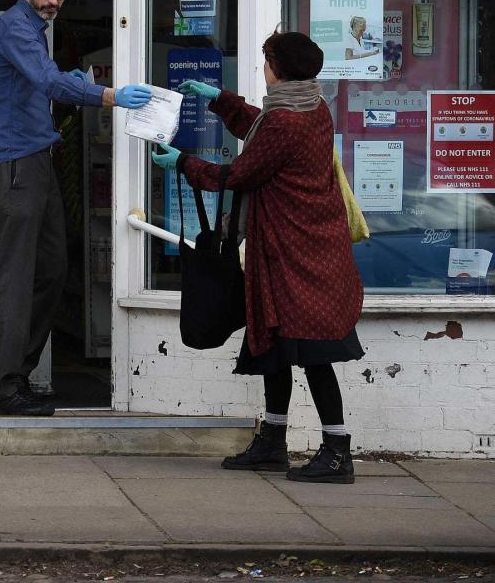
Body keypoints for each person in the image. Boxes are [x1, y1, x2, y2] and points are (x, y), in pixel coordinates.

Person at [152, 30, 364, 483]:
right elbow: (259, 127)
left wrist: (183, 163)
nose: (263, 69)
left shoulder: (287, 121)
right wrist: (220, 99)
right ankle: (273, 440)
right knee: (276, 345)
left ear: (278, 70)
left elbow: (241, 171)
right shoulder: (311, 105)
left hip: (297, 252)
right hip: (296, 248)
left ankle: (337, 450)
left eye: (266, 61)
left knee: (312, 351)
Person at [0, 0, 152, 416]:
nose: (54, 1)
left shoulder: (34, 30)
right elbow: (47, 81)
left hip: (37, 160)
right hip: (15, 166)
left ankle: (12, 371)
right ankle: (6, 388)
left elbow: (42, 85)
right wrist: (108, 95)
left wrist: (68, 83)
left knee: (51, 271)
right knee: (16, 279)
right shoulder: (16, 28)